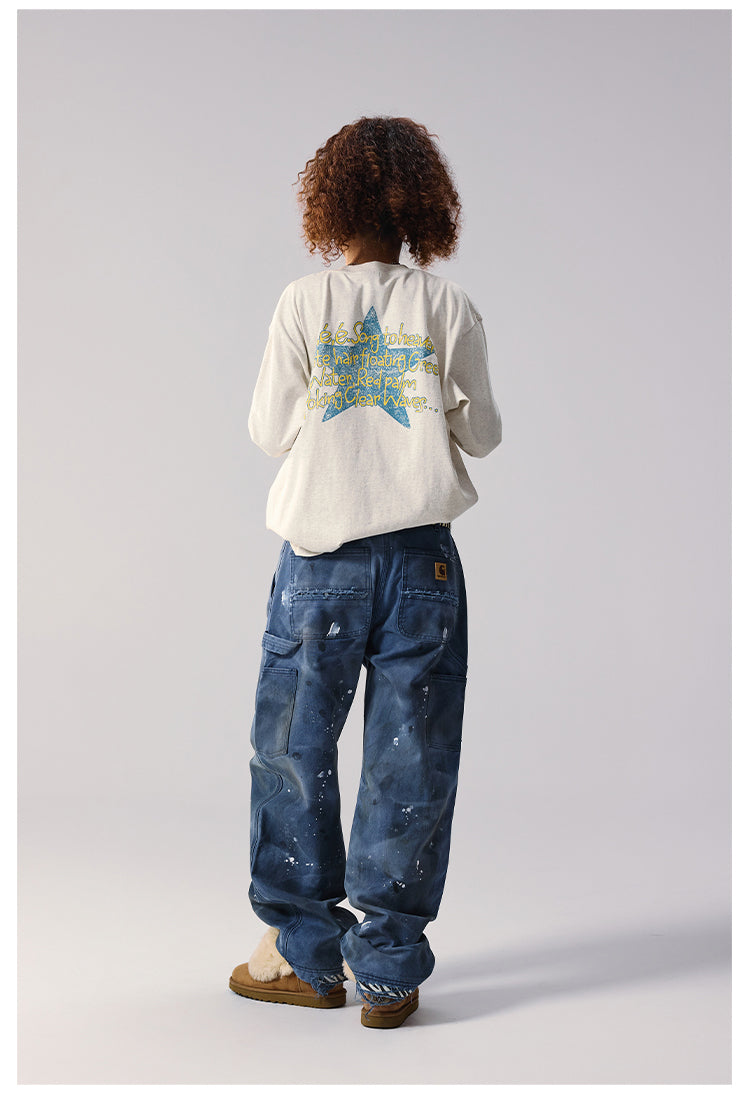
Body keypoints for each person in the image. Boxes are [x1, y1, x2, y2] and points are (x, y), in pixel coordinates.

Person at [228, 115, 502, 1028]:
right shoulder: (449, 307)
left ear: (328, 201)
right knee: (411, 757)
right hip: (422, 564)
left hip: (320, 562)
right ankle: (387, 972)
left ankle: (305, 957)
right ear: (425, 204)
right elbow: (484, 434)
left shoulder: (302, 302)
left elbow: (270, 431)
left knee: (293, 751)